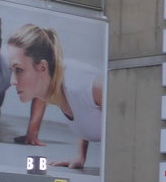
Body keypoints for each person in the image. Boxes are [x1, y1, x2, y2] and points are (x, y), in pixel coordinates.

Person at [6, 23, 104, 169]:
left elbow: (130, 108)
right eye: (11, 70)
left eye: (19, 70)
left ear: (43, 68)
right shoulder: (52, 88)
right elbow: (82, 111)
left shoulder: (84, 84)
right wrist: (80, 157)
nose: (12, 81)